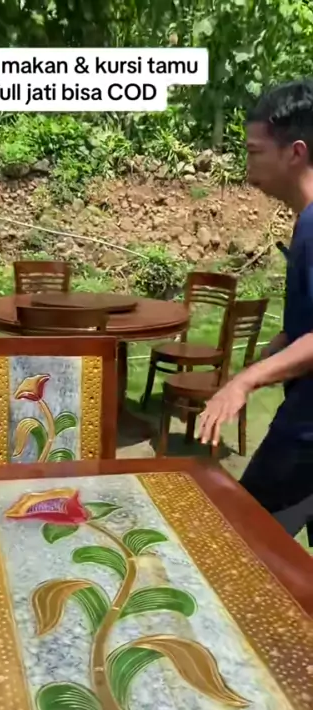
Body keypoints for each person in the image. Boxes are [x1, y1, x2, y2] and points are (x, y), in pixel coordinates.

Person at [198, 79, 313, 543]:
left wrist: (245, 381)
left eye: (254, 151)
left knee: (240, 542)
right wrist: (274, 351)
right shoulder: (306, 223)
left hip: (306, 434)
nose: (248, 163)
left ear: (295, 153)